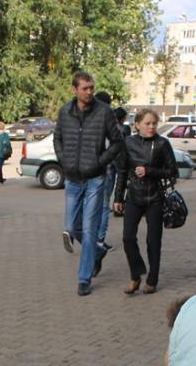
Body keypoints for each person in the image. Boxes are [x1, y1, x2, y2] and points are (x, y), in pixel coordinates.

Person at [53, 71, 124, 296]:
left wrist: (99, 162)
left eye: (91, 87)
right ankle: (98, 250)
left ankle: (84, 278)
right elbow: (58, 138)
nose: (90, 92)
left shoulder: (104, 112)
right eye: (85, 88)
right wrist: (64, 161)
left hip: (95, 178)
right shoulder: (65, 111)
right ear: (75, 89)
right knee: (72, 227)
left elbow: (117, 142)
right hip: (73, 178)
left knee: (89, 227)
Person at [112, 109, 176, 295]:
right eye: (147, 123)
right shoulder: (128, 143)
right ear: (137, 124)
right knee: (127, 237)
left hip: (155, 198)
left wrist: (150, 171)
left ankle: (152, 280)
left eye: (154, 124)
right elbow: (122, 171)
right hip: (134, 197)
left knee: (153, 241)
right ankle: (136, 274)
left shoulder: (163, 144)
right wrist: (118, 198)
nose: (151, 127)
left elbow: (173, 172)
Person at [94, 106, 130, 262]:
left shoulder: (100, 126)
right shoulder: (122, 130)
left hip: (100, 169)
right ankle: (99, 240)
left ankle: (90, 237)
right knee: (103, 206)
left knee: (96, 204)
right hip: (109, 169)